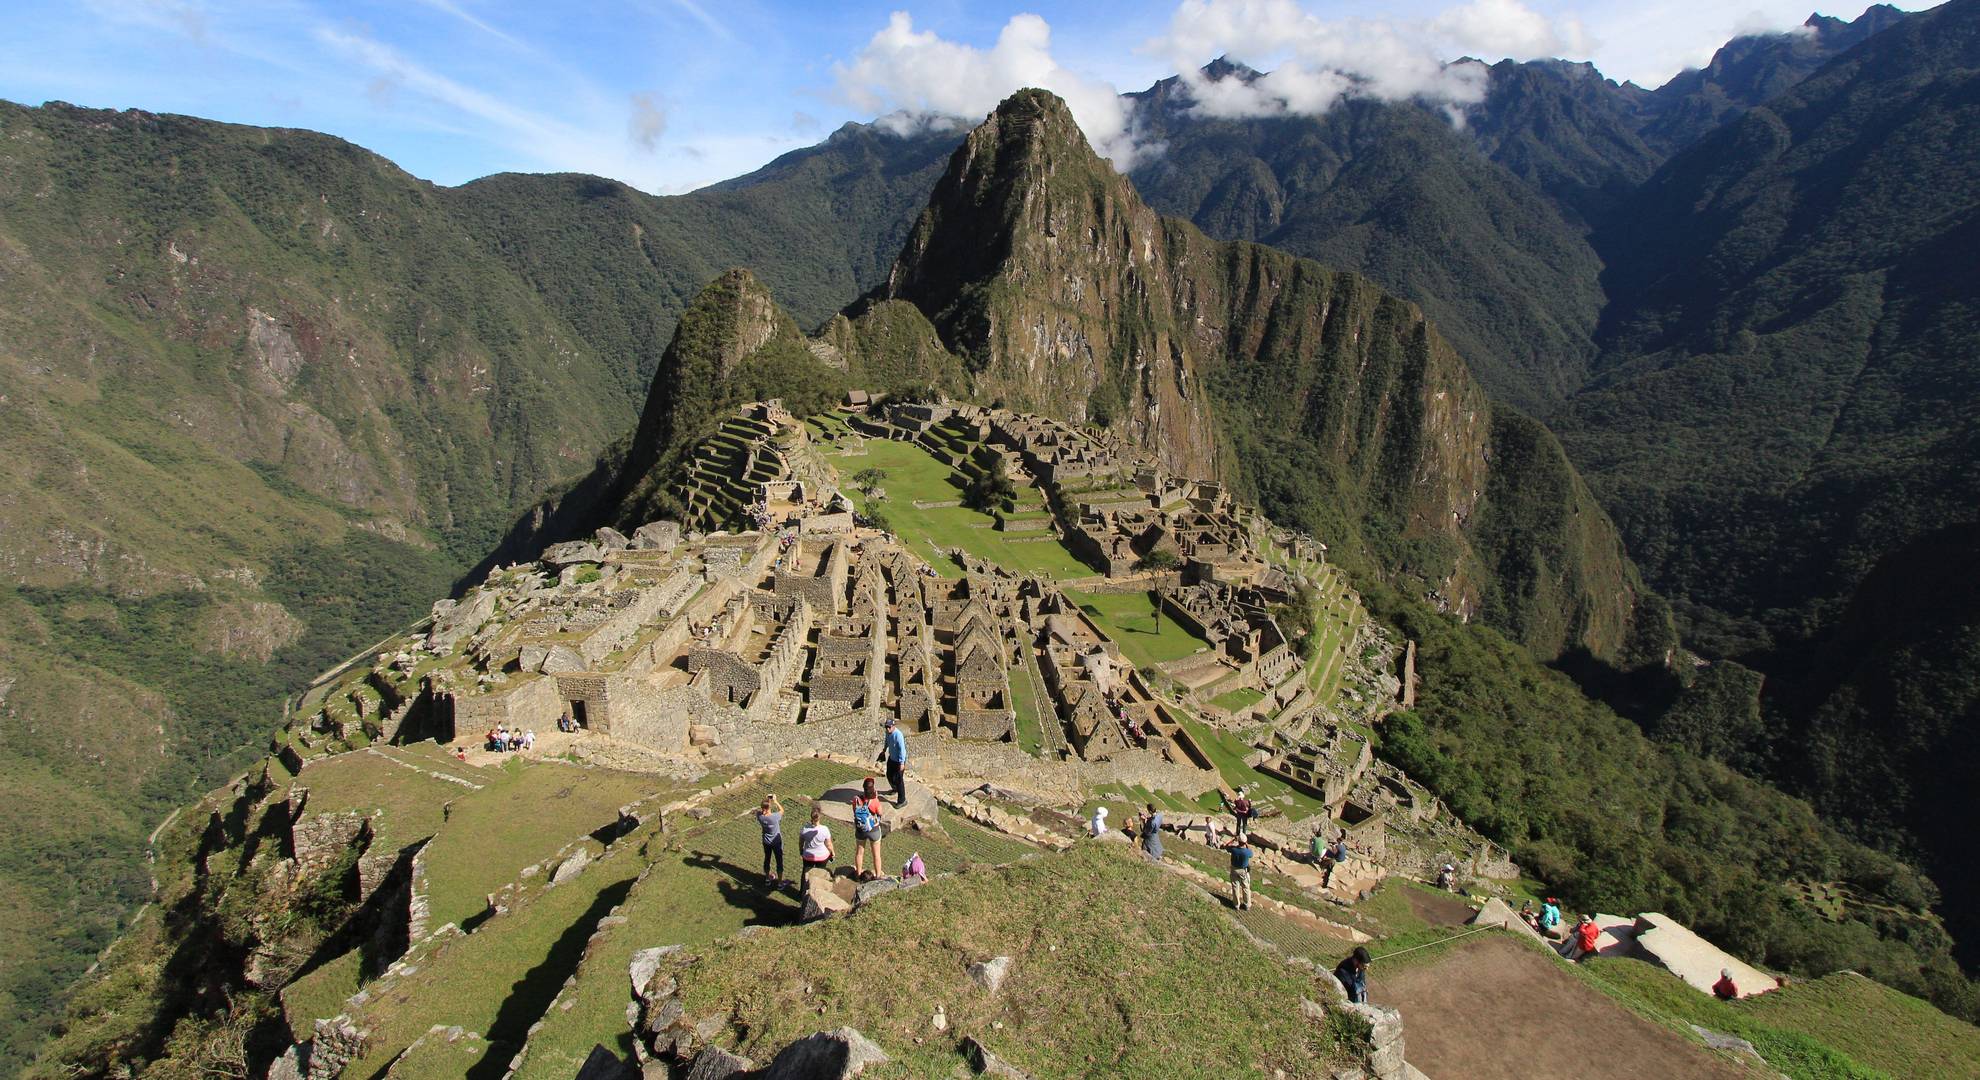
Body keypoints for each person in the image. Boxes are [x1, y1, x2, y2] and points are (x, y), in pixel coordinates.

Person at [852, 783, 887, 881]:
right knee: (876, 854)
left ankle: (858, 874)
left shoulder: (856, 799)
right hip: (874, 829)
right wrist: (876, 798)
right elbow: (880, 813)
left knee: (859, 852)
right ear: (873, 789)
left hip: (861, 829)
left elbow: (855, 811)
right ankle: (878, 876)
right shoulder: (875, 800)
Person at [876, 717, 909, 808]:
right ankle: (895, 789)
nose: (888, 729)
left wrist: (902, 763)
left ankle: (902, 800)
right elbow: (887, 741)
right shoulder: (888, 732)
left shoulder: (898, 735)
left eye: (889, 727)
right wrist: (884, 750)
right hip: (892, 758)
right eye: (886, 727)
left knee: (899, 780)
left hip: (899, 760)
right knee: (889, 775)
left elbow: (902, 750)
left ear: (893, 726)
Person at [756, 795, 785, 887]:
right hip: (776, 842)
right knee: (779, 861)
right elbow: (782, 811)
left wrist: (766, 800)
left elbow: (760, 811)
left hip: (766, 842)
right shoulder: (774, 817)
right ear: (769, 807)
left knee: (767, 859)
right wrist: (775, 801)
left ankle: (767, 879)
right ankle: (780, 883)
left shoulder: (760, 816)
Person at [799, 805, 834, 875]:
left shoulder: (804, 829)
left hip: (807, 856)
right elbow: (829, 845)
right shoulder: (825, 829)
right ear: (819, 817)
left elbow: (801, 843)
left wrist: (801, 851)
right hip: (822, 857)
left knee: (806, 873)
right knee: (820, 874)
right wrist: (832, 853)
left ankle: (803, 885)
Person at [1226, 833, 1255, 910]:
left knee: (1235, 887)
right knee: (1245, 887)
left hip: (1234, 869)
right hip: (1243, 871)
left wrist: (1232, 840)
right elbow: (1251, 853)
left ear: (1238, 841)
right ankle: (1247, 904)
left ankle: (1236, 905)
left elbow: (1226, 846)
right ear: (1245, 842)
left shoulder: (1234, 849)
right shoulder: (1247, 852)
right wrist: (1247, 844)